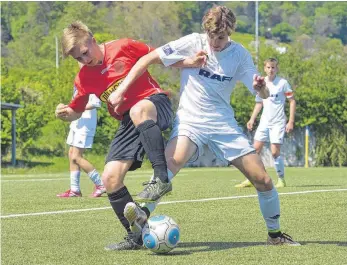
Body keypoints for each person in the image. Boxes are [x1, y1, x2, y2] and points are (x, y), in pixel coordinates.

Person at [113, 5, 300, 247]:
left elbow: (263, 92)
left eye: (221, 37)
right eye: (211, 36)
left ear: (230, 32)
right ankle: (139, 225)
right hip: (190, 120)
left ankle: (275, 235)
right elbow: (148, 59)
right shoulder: (193, 42)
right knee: (170, 165)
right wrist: (121, 90)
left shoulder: (239, 55)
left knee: (263, 180)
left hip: (223, 124)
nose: (215, 42)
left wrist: (260, 86)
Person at [55, 21, 205, 251]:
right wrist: (65, 114)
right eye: (78, 58)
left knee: (138, 109)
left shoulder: (123, 46)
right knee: (109, 178)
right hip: (129, 121)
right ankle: (135, 236)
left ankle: (161, 179)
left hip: (155, 103)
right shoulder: (83, 78)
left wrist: (189, 63)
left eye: (85, 53)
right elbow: (76, 110)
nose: (84, 60)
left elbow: (158, 56)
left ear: (93, 40)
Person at [235, 58, 296, 189]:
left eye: (273, 67)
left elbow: (292, 101)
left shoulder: (283, 83)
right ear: (265, 68)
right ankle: (250, 179)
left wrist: (290, 121)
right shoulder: (261, 83)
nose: (271, 70)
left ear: (277, 68)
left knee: (275, 152)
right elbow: (259, 103)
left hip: (278, 122)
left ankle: (281, 180)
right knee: (254, 151)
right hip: (264, 122)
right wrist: (252, 119)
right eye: (268, 67)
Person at [57, 90, 106, 198]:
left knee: (76, 157)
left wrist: (74, 108)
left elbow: (95, 103)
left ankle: (101, 184)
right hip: (76, 123)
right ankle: (75, 190)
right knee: (71, 154)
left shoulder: (92, 81)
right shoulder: (79, 81)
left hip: (85, 125)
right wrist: (67, 109)